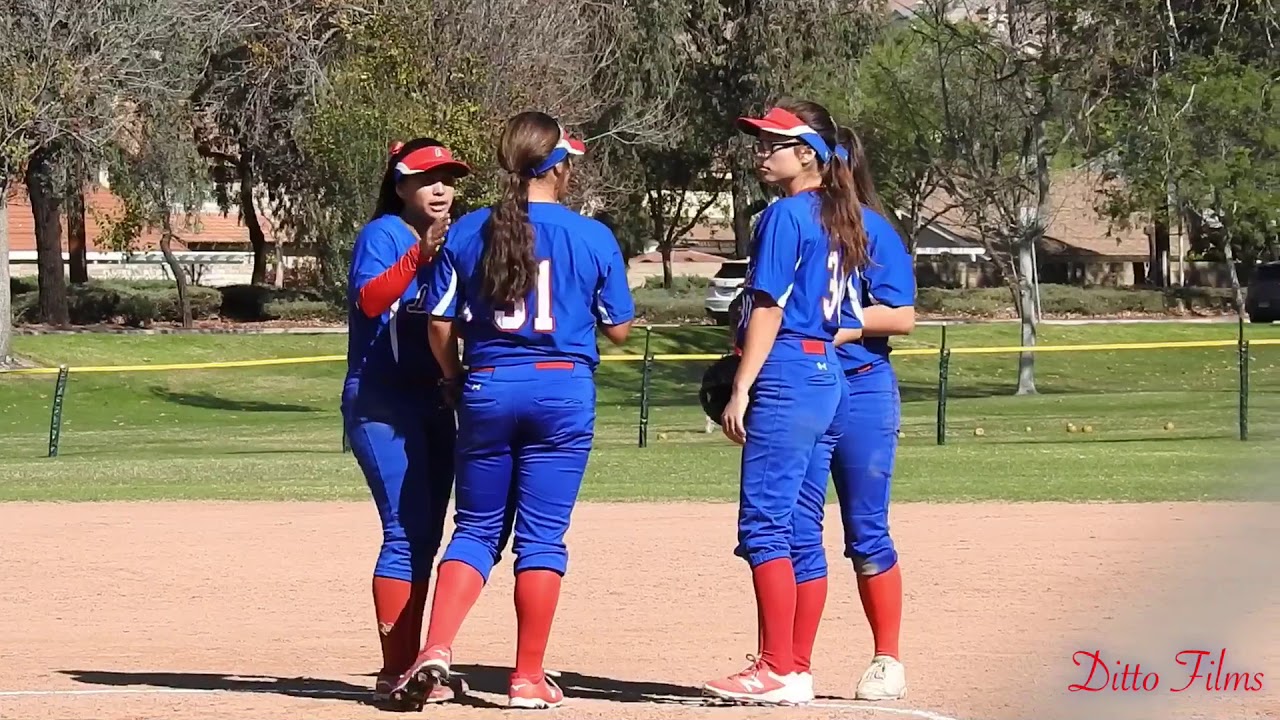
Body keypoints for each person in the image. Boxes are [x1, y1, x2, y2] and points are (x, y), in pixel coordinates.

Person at [390, 112, 634, 711]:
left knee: (474, 530)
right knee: (543, 540)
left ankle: (436, 647)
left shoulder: (469, 230)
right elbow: (621, 329)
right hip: (562, 388)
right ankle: (526, 677)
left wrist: (452, 378)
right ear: (559, 169)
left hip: (489, 386)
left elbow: (440, 324)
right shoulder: (591, 235)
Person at [701, 99, 867, 706]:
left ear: (807, 154)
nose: (760, 152)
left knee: (765, 524)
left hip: (788, 373)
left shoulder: (784, 216)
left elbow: (768, 307)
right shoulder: (841, 216)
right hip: (827, 374)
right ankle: (795, 667)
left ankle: (773, 667)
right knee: (799, 526)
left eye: (772, 142)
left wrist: (743, 384)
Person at [342, 138, 474, 707]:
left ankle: (420, 663)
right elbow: (372, 300)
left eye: (447, 177)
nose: (440, 187)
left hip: (434, 399)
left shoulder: (453, 241)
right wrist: (418, 256)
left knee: (427, 533)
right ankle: (395, 669)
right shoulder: (386, 235)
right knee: (404, 532)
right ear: (400, 187)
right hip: (381, 403)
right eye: (426, 178)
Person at [829, 126, 917, 701]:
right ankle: (783, 660)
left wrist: (853, 326)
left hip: (860, 386)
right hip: (802, 389)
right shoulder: (784, 227)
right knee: (786, 529)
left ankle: (887, 658)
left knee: (866, 529)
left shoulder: (872, 231)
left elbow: (903, 316)